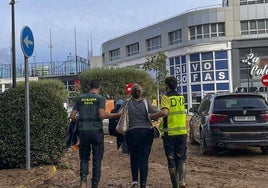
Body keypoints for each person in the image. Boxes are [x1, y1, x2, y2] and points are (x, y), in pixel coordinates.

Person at [70, 79, 122, 188]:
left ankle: (83, 181)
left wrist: (81, 120)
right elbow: (102, 115)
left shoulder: (80, 98)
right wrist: (117, 115)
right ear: (99, 87)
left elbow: (72, 116)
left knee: (84, 158)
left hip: (83, 132)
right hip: (96, 132)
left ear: (90, 87)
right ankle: (95, 183)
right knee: (97, 158)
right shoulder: (100, 99)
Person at [150, 76, 187, 188]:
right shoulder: (181, 97)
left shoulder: (165, 97)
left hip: (169, 133)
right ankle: (182, 181)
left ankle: (175, 185)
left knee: (171, 158)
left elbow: (164, 112)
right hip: (182, 131)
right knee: (181, 157)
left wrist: (152, 116)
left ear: (166, 85)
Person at [126, 84, 156, 188]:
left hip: (131, 133)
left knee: (133, 157)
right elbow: (153, 114)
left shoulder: (127, 104)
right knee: (144, 159)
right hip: (146, 133)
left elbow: (120, 114)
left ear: (131, 93)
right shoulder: (146, 102)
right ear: (141, 93)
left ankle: (134, 181)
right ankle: (143, 184)